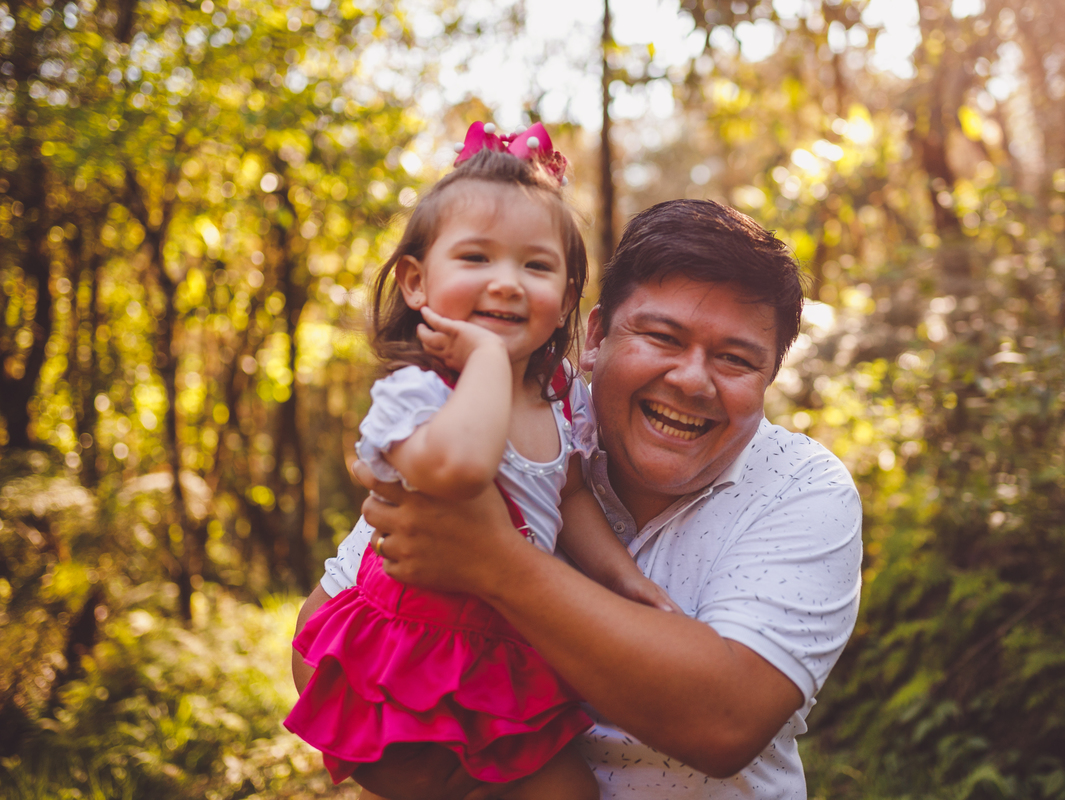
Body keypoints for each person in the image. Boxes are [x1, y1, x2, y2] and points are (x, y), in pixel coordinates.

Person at [301, 199, 863, 799]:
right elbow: (325, 631)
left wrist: (497, 562)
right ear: (595, 337)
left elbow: (724, 722)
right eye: (662, 336)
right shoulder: (508, 418)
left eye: (735, 359)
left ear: (769, 378)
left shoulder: (803, 488)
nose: (692, 380)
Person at [286, 123, 678, 800]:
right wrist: (490, 361)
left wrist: (623, 578)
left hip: (498, 653)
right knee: (429, 783)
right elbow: (459, 470)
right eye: (476, 257)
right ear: (416, 282)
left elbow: (570, 495)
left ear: (567, 298)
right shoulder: (418, 393)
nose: (506, 283)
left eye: (536, 266)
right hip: (399, 657)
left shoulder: (559, 398)